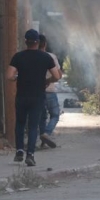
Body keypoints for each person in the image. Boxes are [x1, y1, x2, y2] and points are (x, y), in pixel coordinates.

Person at [7, 29, 62, 166]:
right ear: (38, 42)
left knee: (20, 124)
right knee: (33, 126)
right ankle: (30, 154)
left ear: (26, 42)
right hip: (37, 97)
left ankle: (19, 150)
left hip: (21, 96)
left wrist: (17, 77)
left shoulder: (18, 56)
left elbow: (9, 76)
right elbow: (56, 76)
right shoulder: (46, 57)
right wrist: (47, 81)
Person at [38, 35, 61, 149]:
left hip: (36, 92)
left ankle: (43, 139)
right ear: (45, 44)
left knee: (42, 116)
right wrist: (48, 81)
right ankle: (46, 133)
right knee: (55, 115)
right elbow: (58, 75)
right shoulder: (51, 57)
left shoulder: (29, 56)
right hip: (50, 91)